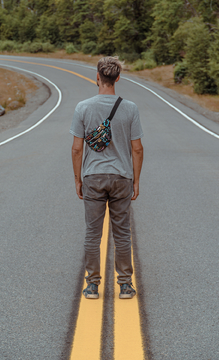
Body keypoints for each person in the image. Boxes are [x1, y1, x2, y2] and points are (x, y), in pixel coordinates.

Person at [70, 56, 144, 299]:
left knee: (93, 233)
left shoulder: (83, 107)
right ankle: (125, 285)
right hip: (122, 177)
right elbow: (137, 148)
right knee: (122, 233)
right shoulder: (130, 108)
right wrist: (136, 180)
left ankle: (92, 285)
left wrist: (78, 179)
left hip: (92, 176)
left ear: (97, 77)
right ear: (118, 78)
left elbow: (77, 148)